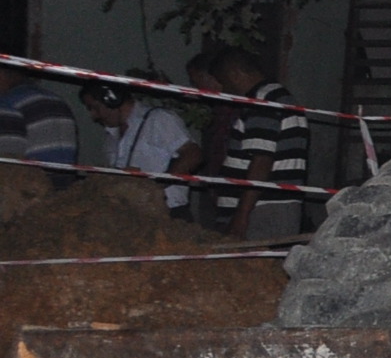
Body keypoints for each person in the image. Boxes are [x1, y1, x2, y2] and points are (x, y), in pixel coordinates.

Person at [196, 46, 313, 239]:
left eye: (223, 80)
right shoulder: (277, 97)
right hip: (271, 208)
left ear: (234, 74)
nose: (224, 88)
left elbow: (261, 161)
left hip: (262, 211)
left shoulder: (262, 102)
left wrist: (241, 215)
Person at [83, 81, 197, 213]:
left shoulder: (158, 119)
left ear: (113, 100)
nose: (94, 116)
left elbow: (192, 155)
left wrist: (153, 187)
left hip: (168, 211)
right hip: (132, 216)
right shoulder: (111, 136)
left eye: (95, 108)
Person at [0, 65, 81, 175]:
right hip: (65, 182)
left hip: (31, 184)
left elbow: (7, 158)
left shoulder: (7, 104)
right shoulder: (56, 99)